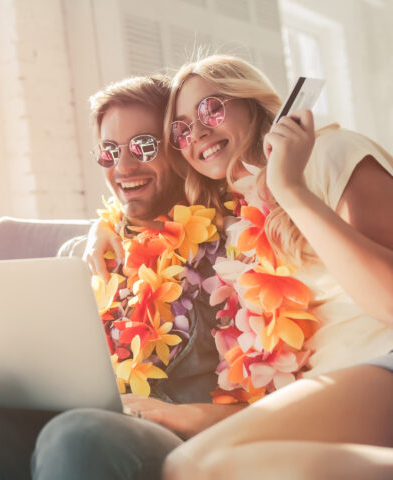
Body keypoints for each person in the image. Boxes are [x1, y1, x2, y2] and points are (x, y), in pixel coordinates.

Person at [0, 75, 234, 480]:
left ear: (178, 146)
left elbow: (276, 398)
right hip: (46, 427)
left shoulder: (228, 256)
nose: (123, 166)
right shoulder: (79, 257)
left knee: (76, 436)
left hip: (155, 439)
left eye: (144, 146)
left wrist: (179, 413)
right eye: (109, 151)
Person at [90, 54, 393, 478]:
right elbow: (150, 206)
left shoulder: (329, 152)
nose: (197, 132)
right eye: (180, 130)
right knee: (194, 465)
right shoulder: (237, 223)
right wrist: (106, 226)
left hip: (380, 362)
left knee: (191, 466)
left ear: (250, 102)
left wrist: (290, 187)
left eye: (210, 108)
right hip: (327, 388)